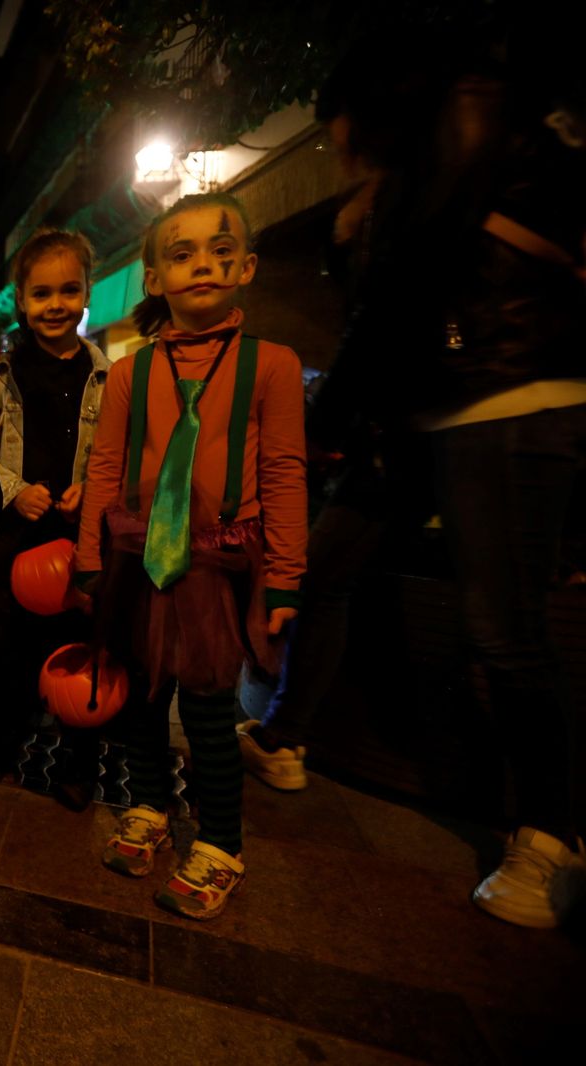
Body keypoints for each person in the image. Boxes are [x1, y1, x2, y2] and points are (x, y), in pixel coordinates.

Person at [297, 36, 586, 928]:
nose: (334, 146)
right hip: (430, 412)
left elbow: (405, 291)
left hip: (506, 395)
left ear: (366, 104)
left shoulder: (469, 106)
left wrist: (319, 422)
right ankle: (279, 732)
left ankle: (551, 835)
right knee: (324, 564)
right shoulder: (407, 172)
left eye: (335, 127)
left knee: (502, 629)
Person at [75, 193, 307, 921]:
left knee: (208, 710)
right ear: (153, 279)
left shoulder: (271, 366)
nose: (202, 262)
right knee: (139, 699)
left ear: (246, 266)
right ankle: (147, 805)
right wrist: (88, 561)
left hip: (216, 564)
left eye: (218, 248)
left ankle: (220, 842)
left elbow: (284, 473)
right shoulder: (127, 374)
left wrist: (285, 578)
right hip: (136, 558)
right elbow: (105, 469)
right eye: (181, 252)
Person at [0, 228, 111, 787]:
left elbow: (120, 451)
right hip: (13, 535)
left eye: (68, 290)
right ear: (22, 298)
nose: (55, 305)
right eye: (41, 293)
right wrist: (14, 488)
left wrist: (90, 486)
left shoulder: (110, 380)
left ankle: (79, 757)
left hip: (83, 537)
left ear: (87, 294)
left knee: (79, 646)